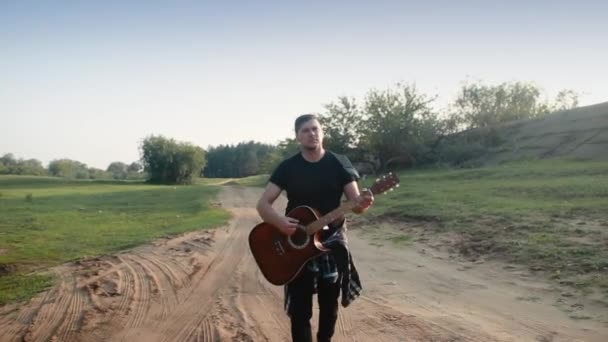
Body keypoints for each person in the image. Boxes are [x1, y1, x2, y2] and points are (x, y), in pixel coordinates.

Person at [256, 114, 374, 342]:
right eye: (305, 131)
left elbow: (356, 204)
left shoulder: (340, 163)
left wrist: (363, 205)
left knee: (329, 306)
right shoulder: (288, 167)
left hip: (330, 243)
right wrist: (280, 222)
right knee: (300, 310)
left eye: (315, 129)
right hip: (296, 245)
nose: (311, 134)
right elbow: (263, 205)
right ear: (297, 137)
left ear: (322, 132)